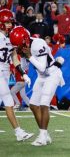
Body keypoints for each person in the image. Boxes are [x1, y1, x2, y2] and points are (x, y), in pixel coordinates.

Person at [9, 26, 65, 146]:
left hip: (52, 73)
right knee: (34, 105)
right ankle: (45, 134)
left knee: (44, 104)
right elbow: (24, 67)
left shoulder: (38, 43)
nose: (18, 48)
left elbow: (42, 67)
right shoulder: (24, 47)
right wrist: (22, 67)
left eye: (18, 45)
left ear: (24, 41)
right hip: (41, 76)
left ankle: (43, 136)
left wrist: (29, 56)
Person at [0, 9, 33, 141]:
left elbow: (14, 58)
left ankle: (19, 133)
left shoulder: (9, 38)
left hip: (5, 72)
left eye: (10, 22)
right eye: (6, 22)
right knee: (8, 99)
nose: (9, 25)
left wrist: (23, 74)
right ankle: (19, 133)